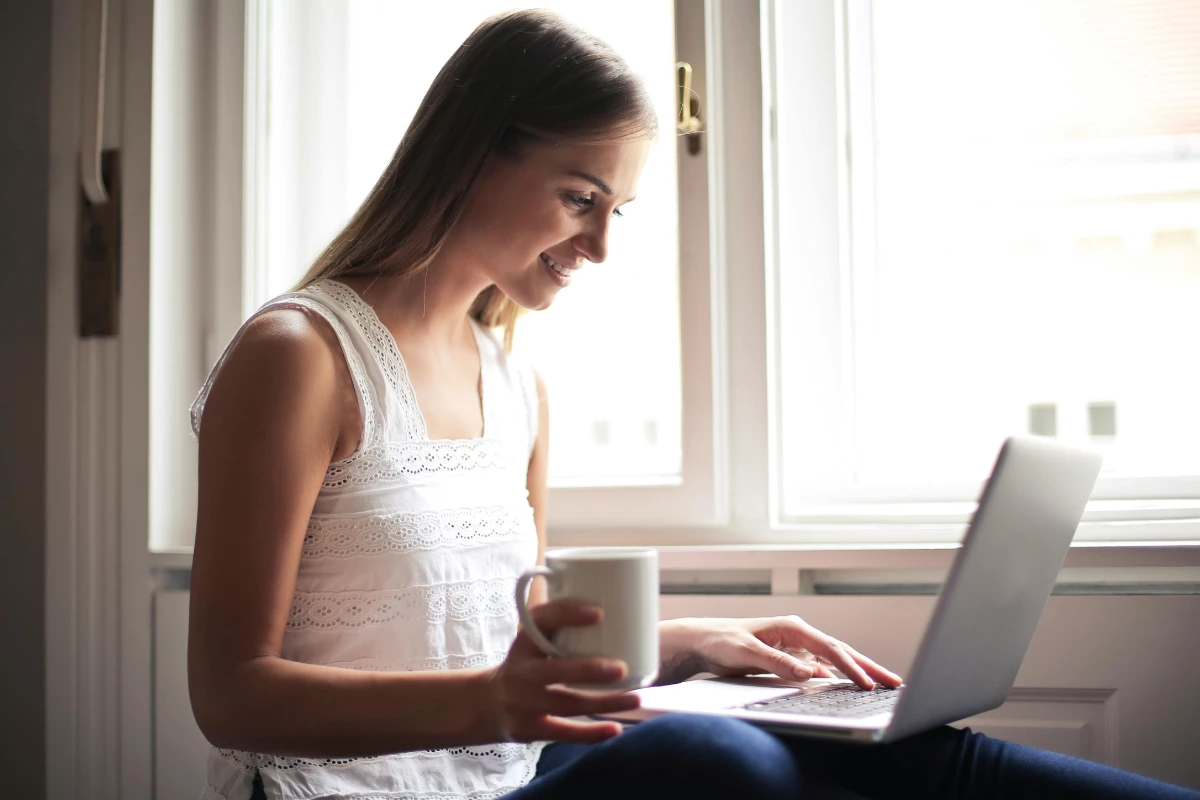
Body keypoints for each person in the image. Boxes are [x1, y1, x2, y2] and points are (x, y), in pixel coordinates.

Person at [187, 9, 1200, 800]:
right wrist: (496, 700)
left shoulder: (515, 382)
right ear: (471, 151)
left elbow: (514, 636)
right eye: (581, 197)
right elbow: (231, 692)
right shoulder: (301, 356)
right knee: (721, 759)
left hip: (506, 769)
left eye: (614, 209)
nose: (600, 246)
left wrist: (689, 637)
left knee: (895, 747)